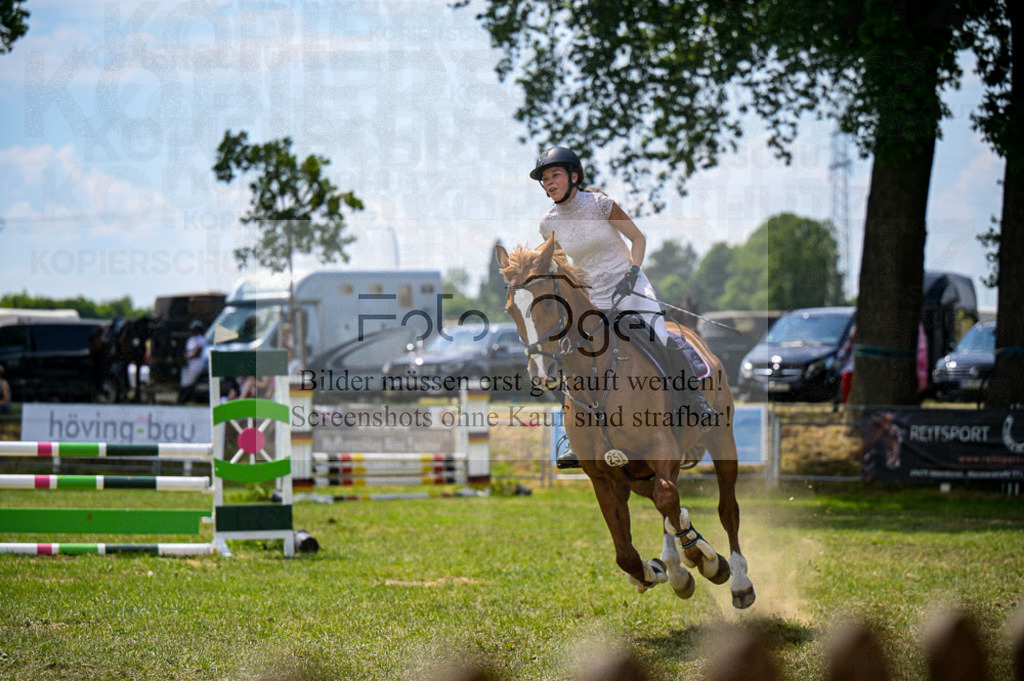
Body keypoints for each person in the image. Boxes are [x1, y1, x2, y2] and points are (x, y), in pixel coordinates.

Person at [529, 146, 717, 467]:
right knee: (572, 357)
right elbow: (559, 266)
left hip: (630, 286)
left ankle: (695, 401)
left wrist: (632, 272)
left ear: (574, 176)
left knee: (661, 337)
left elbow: (638, 239)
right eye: (545, 179)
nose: (549, 182)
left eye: (555, 175)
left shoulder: (601, 205)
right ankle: (576, 437)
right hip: (593, 298)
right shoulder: (548, 225)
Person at [176, 319, 207, 404]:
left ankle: (186, 398)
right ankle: (182, 398)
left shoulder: (201, 339)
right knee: (184, 380)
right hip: (189, 363)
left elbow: (198, 352)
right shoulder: (190, 340)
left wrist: (189, 356)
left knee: (190, 380)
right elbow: (187, 351)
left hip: (197, 363)